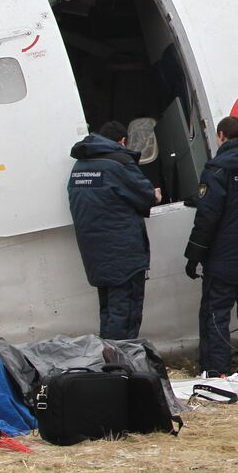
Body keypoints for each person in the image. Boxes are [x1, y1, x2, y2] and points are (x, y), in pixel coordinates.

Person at [183, 115, 238, 378]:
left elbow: (207, 218)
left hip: (224, 260)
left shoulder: (217, 169)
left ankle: (217, 372)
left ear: (221, 135)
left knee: (216, 315)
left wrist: (193, 256)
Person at [67, 120, 161, 340]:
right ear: (122, 141)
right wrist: (155, 195)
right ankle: (121, 367)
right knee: (126, 314)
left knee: (109, 311)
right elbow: (145, 196)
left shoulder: (79, 167)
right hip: (123, 254)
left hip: (96, 255)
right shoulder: (118, 163)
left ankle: (109, 362)